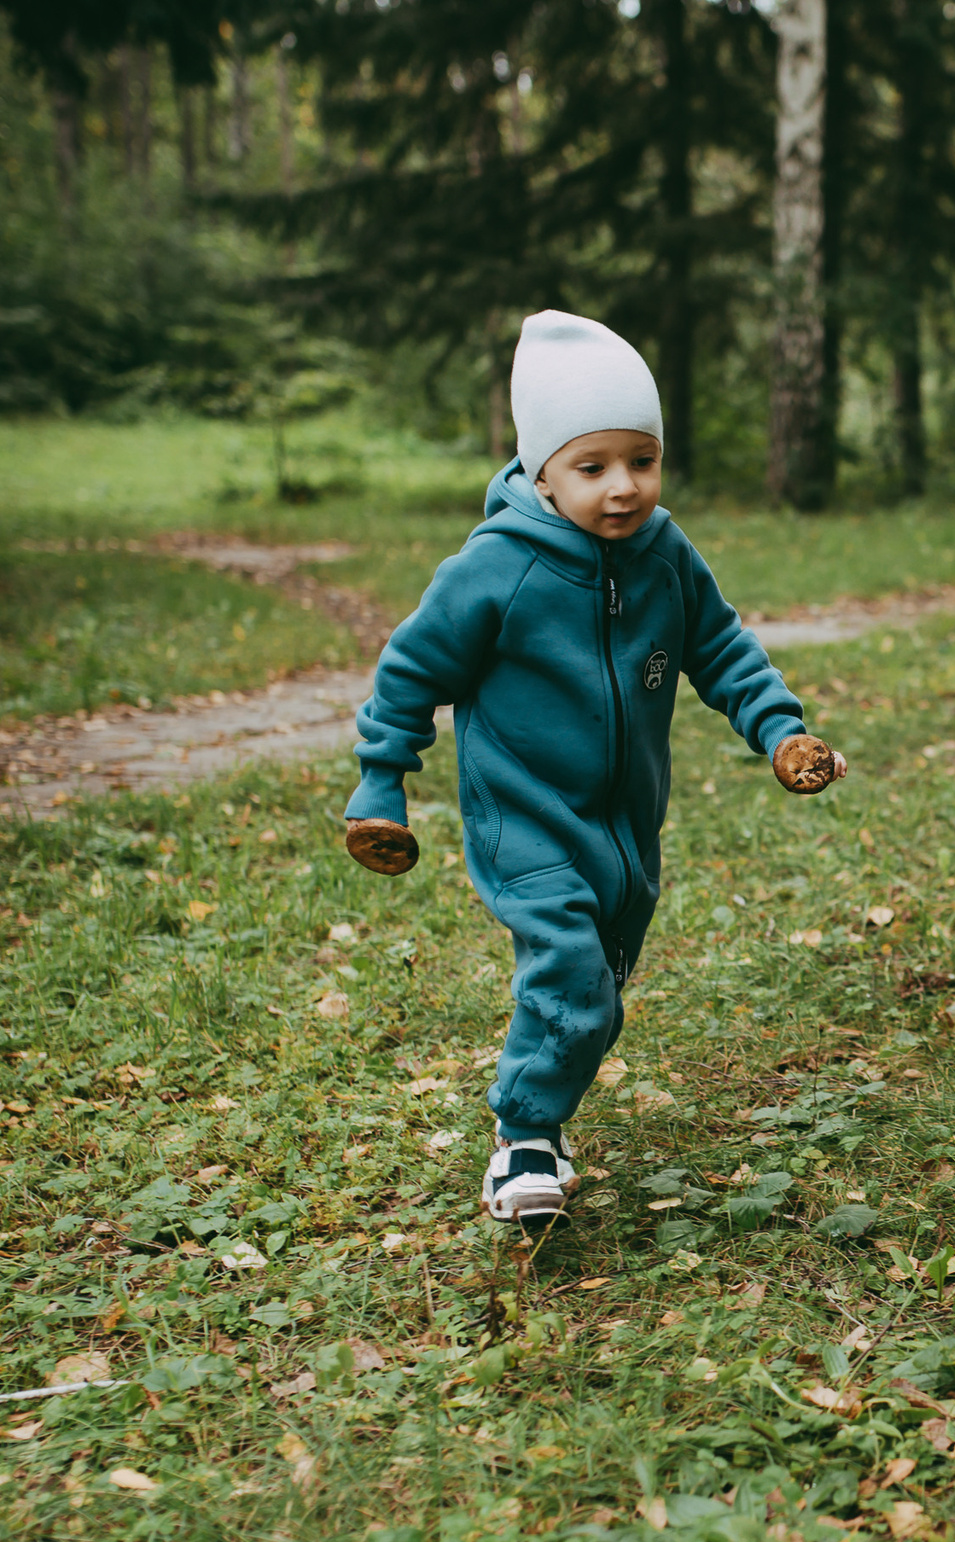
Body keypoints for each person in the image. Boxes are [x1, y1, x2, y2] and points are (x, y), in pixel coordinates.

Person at [342, 310, 844, 1232]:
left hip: (625, 828)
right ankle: (523, 1140)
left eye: (642, 460)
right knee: (569, 970)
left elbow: (723, 649)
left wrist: (779, 731)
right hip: (524, 816)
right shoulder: (495, 569)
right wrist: (381, 785)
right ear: (541, 468)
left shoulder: (664, 556)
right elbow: (409, 675)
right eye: (593, 465)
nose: (624, 487)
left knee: (598, 991)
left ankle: (547, 1114)